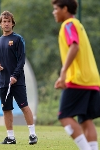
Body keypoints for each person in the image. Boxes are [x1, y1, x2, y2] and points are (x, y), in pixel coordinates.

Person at [52, 0, 100, 150]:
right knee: (86, 120)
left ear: (64, 9)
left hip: (78, 79)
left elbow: (74, 45)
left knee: (64, 116)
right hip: (92, 79)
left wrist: (63, 72)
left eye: (55, 9)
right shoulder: (78, 24)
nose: (54, 12)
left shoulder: (68, 24)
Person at [0, 10, 38, 145]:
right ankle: (10, 138)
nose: (6, 24)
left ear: (12, 24)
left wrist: (15, 76)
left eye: (8, 22)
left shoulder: (17, 39)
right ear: (0, 24)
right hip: (3, 82)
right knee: (6, 109)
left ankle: (33, 135)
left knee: (24, 106)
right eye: (4, 22)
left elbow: (21, 60)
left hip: (17, 81)